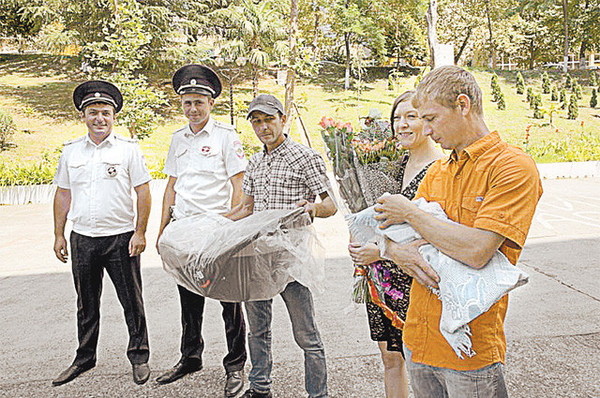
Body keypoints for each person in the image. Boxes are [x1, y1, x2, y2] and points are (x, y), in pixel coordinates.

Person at [374, 66, 543, 397]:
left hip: (469, 351)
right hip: (418, 341)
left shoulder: (511, 167)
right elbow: (400, 240)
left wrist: (409, 211)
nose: (426, 129)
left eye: (432, 119)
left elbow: (477, 251)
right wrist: (394, 251)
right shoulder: (438, 170)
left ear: (463, 105)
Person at [225, 94, 337, 398]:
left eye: (269, 119)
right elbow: (244, 209)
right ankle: (260, 388)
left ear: (282, 119)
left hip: (292, 258)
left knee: (306, 334)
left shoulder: (305, 157)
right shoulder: (254, 162)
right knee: (258, 331)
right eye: (257, 122)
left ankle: (318, 394)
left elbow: (331, 205)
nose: (263, 127)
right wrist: (215, 224)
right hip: (257, 258)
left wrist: (312, 209)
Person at [155, 64, 247, 397]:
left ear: (211, 103)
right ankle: (190, 357)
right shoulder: (178, 138)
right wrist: (162, 229)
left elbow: (239, 184)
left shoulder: (226, 136)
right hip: (184, 232)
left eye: (199, 102)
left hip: (216, 230)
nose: (193, 109)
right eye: (187, 103)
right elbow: (171, 186)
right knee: (189, 298)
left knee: (229, 302)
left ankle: (235, 367)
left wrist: (230, 228)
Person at [52, 80, 152, 386]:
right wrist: (58, 234)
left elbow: (144, 192)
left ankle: (139, 356)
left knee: (131, 301)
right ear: (83, 116)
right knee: (86, 302)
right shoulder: (70, 151)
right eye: (93, 112)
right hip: (82, 238)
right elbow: (63, 194)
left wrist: (140, 232)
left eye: (105, 112)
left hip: (120, 238)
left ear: (114, 116)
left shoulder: (127, 150)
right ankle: (84, 357)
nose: (99, 118)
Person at [348, 90, 442, 398]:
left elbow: (434, 234)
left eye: (410, 117)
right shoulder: (392, 165)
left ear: (428, 121)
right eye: (396, 118)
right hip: (381, 280)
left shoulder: (440, 170)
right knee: (390, 359)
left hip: (415, 280)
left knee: (424, 363)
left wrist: (379, 250)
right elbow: (373, 214)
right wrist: (359, 235)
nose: (401, 125)